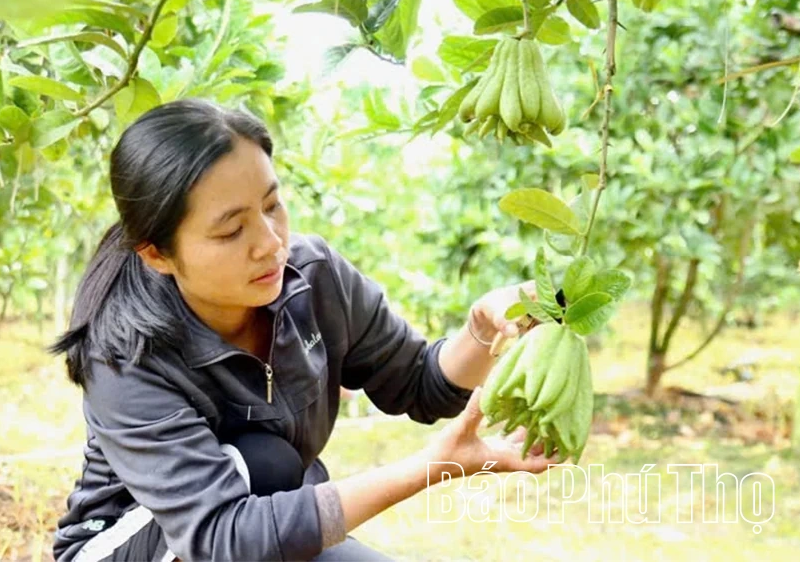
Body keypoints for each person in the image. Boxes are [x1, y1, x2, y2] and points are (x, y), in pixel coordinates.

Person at [49, 98, 559, 562]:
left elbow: (421, 383)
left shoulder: (312, 279)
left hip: (265, 530)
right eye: (231, 231)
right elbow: (222, 538)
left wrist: (480, 332)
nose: (270, 243)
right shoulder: (123, 354)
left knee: (276, 476)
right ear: (157, 253)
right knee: (264, 462)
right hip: (139, 546)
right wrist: (430, 466)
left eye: (272, 206)